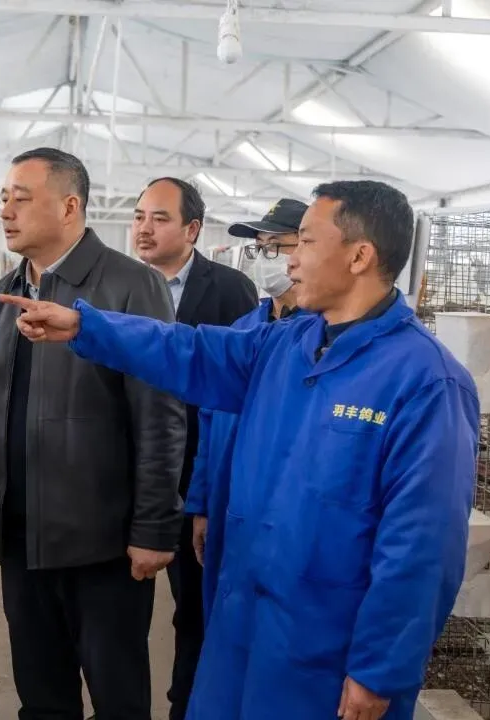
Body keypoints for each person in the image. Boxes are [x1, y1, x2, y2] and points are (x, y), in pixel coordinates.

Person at [0, 180, 479, 720]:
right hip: (241, 622)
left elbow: (423, 544)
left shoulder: (425, 382)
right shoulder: (286, 343)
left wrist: (379, 668)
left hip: (325, 649)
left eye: (306, 242)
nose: (291, 259)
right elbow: (188, 349)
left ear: (360, 256)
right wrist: (87, 326)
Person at [0, 147, 187, 720]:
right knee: (42, 698)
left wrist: (154, 528)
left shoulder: (131, 286)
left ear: (70, 207)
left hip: (103, 545)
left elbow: (160, 415)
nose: (6, 211)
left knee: (117, 698)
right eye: (3, 199)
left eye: (21, 199)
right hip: (22, 538)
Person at [132, 176, 258, 720]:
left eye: (159, 218)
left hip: (195, 479)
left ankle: (185, 706)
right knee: (123, 610)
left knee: (195, 611)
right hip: (133, 479)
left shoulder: (229, 290)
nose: (144, 228)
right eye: (139, 216)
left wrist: (209, 491)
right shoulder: (121, 287)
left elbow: (233, 392)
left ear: (192, 229)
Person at [186, 199, 308, 628]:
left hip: (280, 512)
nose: (264, 258)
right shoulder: (243, 330)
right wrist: (202, 505)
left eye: (275, 246)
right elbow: (209, 420)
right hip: (226, 500)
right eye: (259, 247)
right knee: (221, 619)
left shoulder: (320, 339)